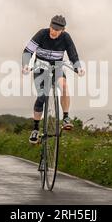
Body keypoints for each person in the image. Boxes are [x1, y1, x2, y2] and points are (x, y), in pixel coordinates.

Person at [22, 15, 85, 144]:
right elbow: (28, 51)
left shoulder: (66, 38)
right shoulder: (41, 34)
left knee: (64, 86)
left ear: (63, 30)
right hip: (40, 67)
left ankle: (66, 118)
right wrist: (26, 64)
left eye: (57, 30)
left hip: (57, 67)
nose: (53, 32)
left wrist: (78, 67)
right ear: (49, 26)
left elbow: (73, 54)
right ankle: (35, 129)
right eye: (52, 28)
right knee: (42, 96)